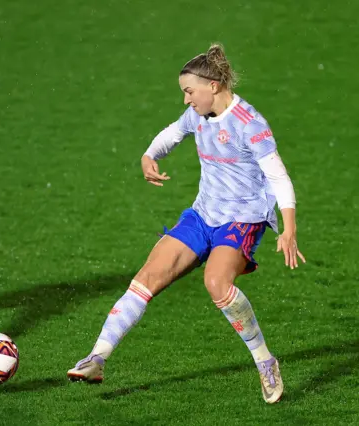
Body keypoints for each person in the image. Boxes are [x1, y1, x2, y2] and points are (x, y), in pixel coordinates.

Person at [67, 44, 305, 404]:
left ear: (212, 85)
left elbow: (279, 177)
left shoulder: (250, 125)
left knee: (216, 283)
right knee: (147, 276)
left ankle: (265, 361)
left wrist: (289, 229)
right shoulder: (198, 116)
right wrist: (149, 155)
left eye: (188, 91)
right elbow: (171, 134)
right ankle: (97, 357)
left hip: (241, 219)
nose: (185, 100)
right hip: (202, 214)